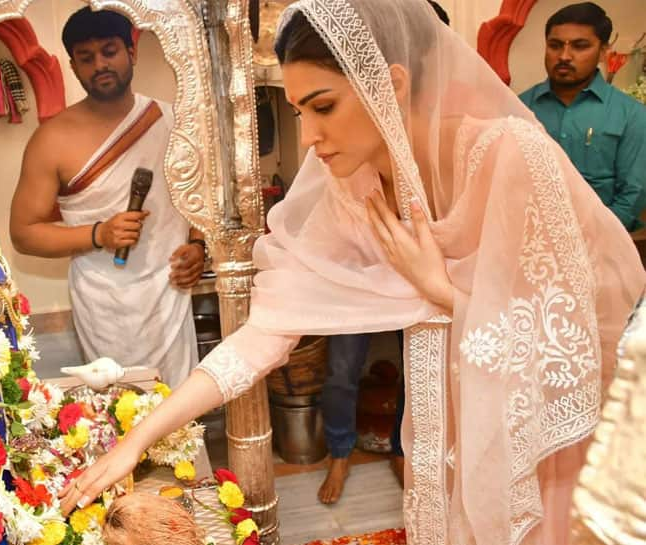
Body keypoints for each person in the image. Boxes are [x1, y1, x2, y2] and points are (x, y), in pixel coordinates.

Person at [61, 2, 645, 544]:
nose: (310, 138)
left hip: (538, 439)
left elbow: (576, 340)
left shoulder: (508, 153)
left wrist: (439, 289)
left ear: (387, 85)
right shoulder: (354, 188)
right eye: (297, 111)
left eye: (323, 106)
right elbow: (263, 337)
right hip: (442, 426)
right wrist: (135, 441)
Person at [10, 7, 204, 386]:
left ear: (131, 52)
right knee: (122, 412)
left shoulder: (171, 120)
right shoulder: (51, 140)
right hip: (105, 304)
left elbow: (199, 196)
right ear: (73, 65)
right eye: (86, 58)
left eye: (109, 51)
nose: (100, 64)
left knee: (180, 409)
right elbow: (24, 233)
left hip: (169, 294)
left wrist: (198, 245)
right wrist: (99, 234)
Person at [317, 0, 452, 505]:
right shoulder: (355, 129)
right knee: (341, 368)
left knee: (422, 365)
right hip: (361, 271)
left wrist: (433, 281)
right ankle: (338, 454)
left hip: (429, 284)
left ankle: (403, 448)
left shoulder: (461, 131)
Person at [520, 2, 646, 231]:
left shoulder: (631, 114)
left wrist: (586, 241)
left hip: (602, 247)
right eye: (555, 46)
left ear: (603, 52)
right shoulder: (519, 108)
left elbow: (632, 196)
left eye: (580, 46)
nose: (564, 56)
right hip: (529, 245)